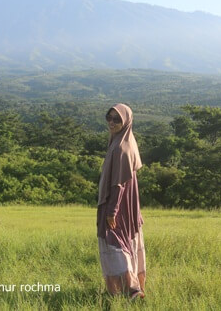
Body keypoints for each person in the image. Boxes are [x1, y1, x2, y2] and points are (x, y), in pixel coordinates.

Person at [97, 103, 146, 299]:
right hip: (127, 204)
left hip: (118, 206)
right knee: (125, 241)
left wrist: (111, 212)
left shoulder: (120, 148)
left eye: (116, 119)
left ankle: (130, 289)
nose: (111, 122)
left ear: (125, 121)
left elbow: (118, 185)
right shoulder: (126, 140)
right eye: (109, 118)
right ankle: (129, 287)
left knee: (116, 243)